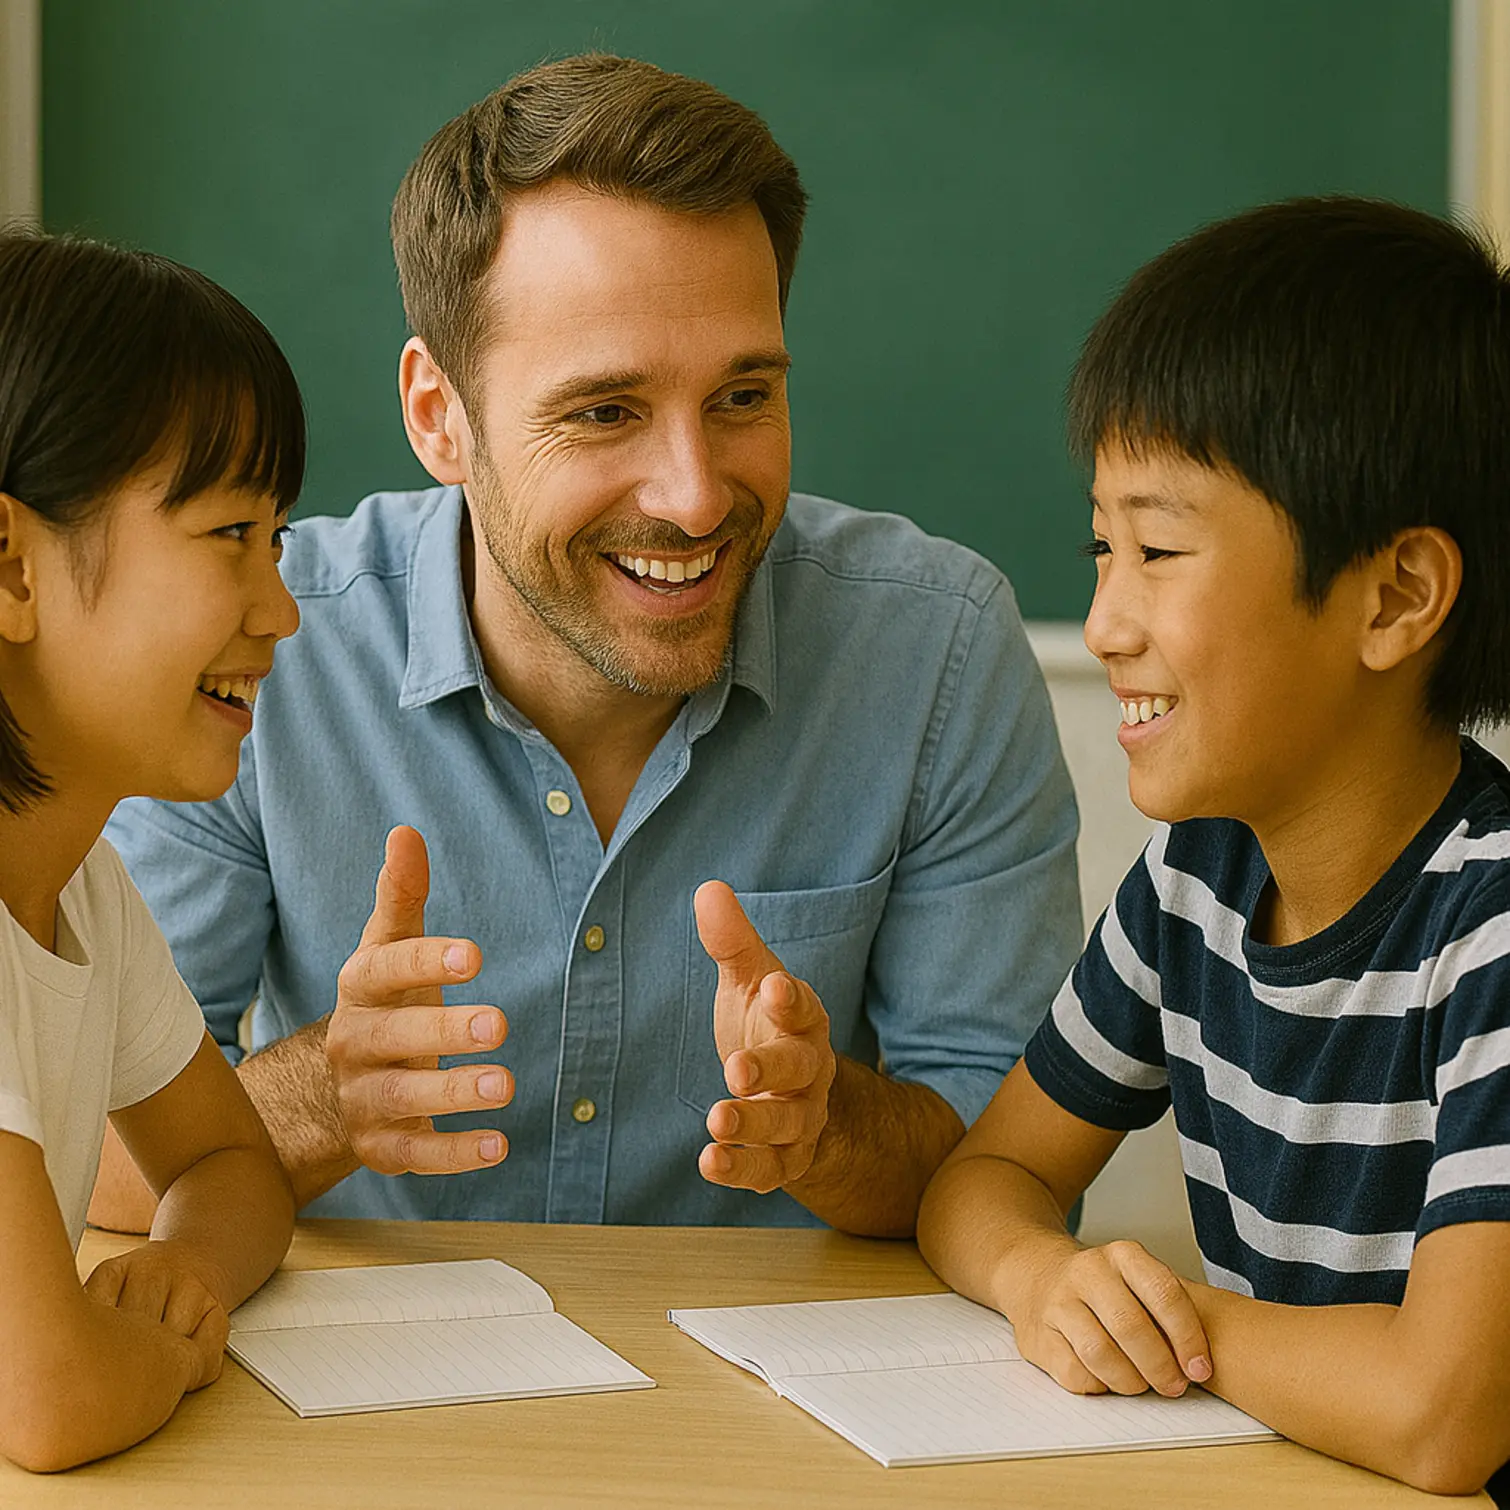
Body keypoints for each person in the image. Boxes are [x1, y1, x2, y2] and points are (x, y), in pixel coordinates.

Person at [93, 53, 1082, 1237]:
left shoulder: (938, 655)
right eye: (605, 411)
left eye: (743, 398)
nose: (696, 496)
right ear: (438, 417)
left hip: (779, 1408)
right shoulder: (259, 647)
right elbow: (81, 1156)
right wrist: (323, 1099)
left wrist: (828, 1132)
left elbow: (1012, 1158)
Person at [916, 196, 1510, 1499]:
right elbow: (984, 1175)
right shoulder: (1194, 881)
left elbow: (1441, 1413)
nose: (1104, 620)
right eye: (1098, 545)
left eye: (1158, 549)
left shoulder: (1492, 931)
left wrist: (1173, 1324)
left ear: (1395, 595)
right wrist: (1043, 1276)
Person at [0, 232, 299, 1471]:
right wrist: (176, 1352)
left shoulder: (79, 888)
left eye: (279, 540)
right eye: (231, 532)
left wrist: (181, 1267)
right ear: (11, 566)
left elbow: (236, 1165)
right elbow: (50, 1401)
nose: (280, 608)